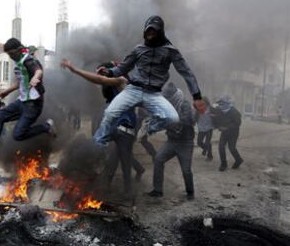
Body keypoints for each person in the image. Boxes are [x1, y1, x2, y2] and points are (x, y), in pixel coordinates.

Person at [95, 15, 205, 146]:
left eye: (154, 30)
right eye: (148, 30)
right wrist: (109, 72)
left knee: (172, 118)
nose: (150, 33)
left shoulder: (171, 51)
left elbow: (186, 73)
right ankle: (98, 143)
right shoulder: (138, 50)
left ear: (161, 31)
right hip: (133, 90)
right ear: (144, 31)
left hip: (153, 94)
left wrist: (197, 97)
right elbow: (123, 67)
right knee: (110, 113)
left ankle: (148, 127)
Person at [0, 38, 56, 165]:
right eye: (9, 54)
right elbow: (19, 82)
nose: (11, 56)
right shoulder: (18, 63)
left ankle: (46, 127)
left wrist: (35, 78)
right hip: (22, 102)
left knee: (18, 135)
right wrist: (6, 92)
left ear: (19, 50)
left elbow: (38, 70)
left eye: (12, 53)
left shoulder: (28, 60)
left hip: (33, 105)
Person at [61, 59, 145, 196]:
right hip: (114, 128)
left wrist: (75, 70)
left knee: (124, 161)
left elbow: (101, 80)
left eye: (102, 72)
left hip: (125, 129)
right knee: (104, 154)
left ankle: (128, 193)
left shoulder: (121, 81)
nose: (100, 76)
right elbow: (98, 81)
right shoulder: (110, 89)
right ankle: (99, 185)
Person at [146, 83, 195, 199]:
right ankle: (158, 190)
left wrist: (171, 119)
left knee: (186, 170)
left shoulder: (184, 104)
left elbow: (188, 120)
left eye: (168, 97)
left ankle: (190, 192)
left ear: (174, 96)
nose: (166, 99)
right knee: (158, 159)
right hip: (172, 141)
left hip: (185, 143)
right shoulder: (167, 105)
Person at [212, 95, 243, 172]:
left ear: (227, 104)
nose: (220, 105)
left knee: (231, 147)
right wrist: (217, 125)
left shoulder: (234, 112)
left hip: (233, 133)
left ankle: (238, 160)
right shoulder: (218, 110)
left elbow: (238, 123)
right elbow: (217, 119)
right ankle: (223, 164)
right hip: (224, 132)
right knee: (221, 147)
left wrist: (227, 127)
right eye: (219, 104)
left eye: (222, 104)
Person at [195, 96, 214, 161]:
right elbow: (195, 117)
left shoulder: (211, 109)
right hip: (201, 128)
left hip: (209, 128)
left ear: (206, 102)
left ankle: (210, 156)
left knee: (207, 142)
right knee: (199, 142)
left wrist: (215, 117)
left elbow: (218, 116)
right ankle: (205, 148)